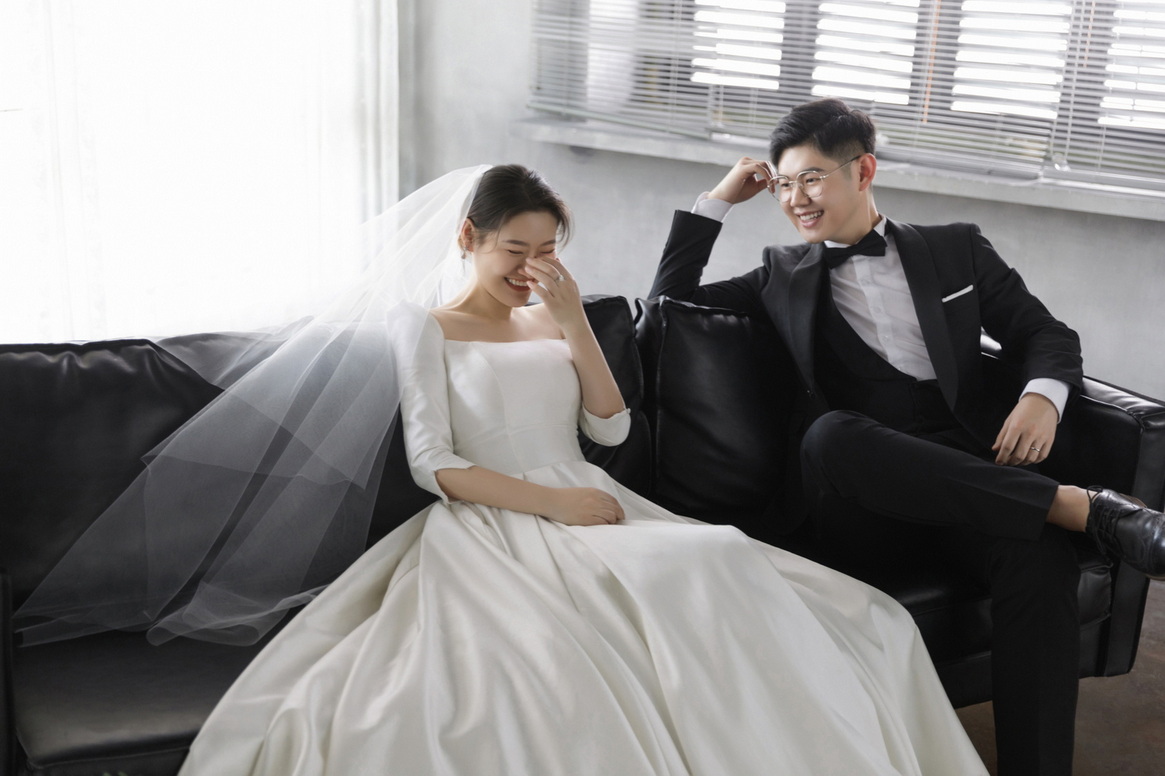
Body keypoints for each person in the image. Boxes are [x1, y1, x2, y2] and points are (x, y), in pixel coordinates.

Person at [160, 164, 990, 774]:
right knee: (608, 626)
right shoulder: (425, 326)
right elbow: (433, 463)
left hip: (594, 497)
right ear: (467, 239)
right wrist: (553, 505)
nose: (532, 267)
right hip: (499, 518)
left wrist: (573, 323)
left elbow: (609, 425)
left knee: (787, 584)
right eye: (513, 250)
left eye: (547, 250)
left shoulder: (554, 314)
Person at [649, 97, 1165, 776]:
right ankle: (1084, 509)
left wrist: (1042, 398)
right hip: (863, 501)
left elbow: (1044, 333)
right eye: (784, 185)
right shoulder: (779, 274)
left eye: (811, 179)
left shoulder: (955, 248)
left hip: (968, 480)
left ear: (863, 171)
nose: (795, 199)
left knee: (1040, 558)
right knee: (831, 435)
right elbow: (664, 308)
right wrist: (716, 201)